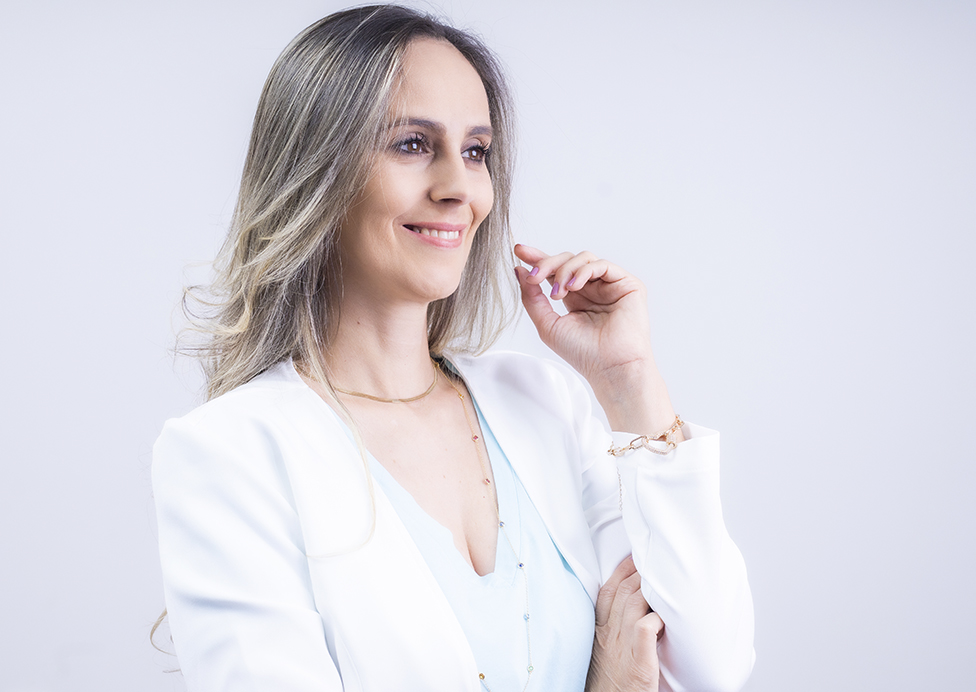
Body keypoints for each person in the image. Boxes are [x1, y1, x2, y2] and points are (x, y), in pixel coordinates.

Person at [151, 5, 755, 691]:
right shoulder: (229, 452)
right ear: (315, 169)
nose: (459, 187)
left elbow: (710, 668)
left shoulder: (542, 402)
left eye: (475, 151)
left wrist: (630, 381)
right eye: (412, 144)